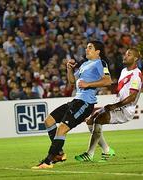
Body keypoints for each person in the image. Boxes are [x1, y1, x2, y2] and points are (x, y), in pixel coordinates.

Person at [32, 40, 112, 169]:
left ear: (98, 51)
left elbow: (108, 81)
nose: (86, 49)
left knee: (62, 129)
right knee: (48, 121)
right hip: (76, 101)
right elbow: (71, 81)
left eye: (90, 48)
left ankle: (48, 161)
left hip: (85, 103)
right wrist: (69, 69)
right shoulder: (85, 64)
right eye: (86, 47)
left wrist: (88, 84)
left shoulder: (100, 63)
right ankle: (58, 153)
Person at [75, 48, 142, 162]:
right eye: (125, 54)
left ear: (135, 59)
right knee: (91, 120)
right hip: (119, 106)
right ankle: (107, 150)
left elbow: (132, 97)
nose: (125, 56)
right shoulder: (124, 71)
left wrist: (115, 106)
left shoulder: (136, 74)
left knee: (99, 119)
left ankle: (89, 154)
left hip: (126, 109)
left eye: (129, 55)